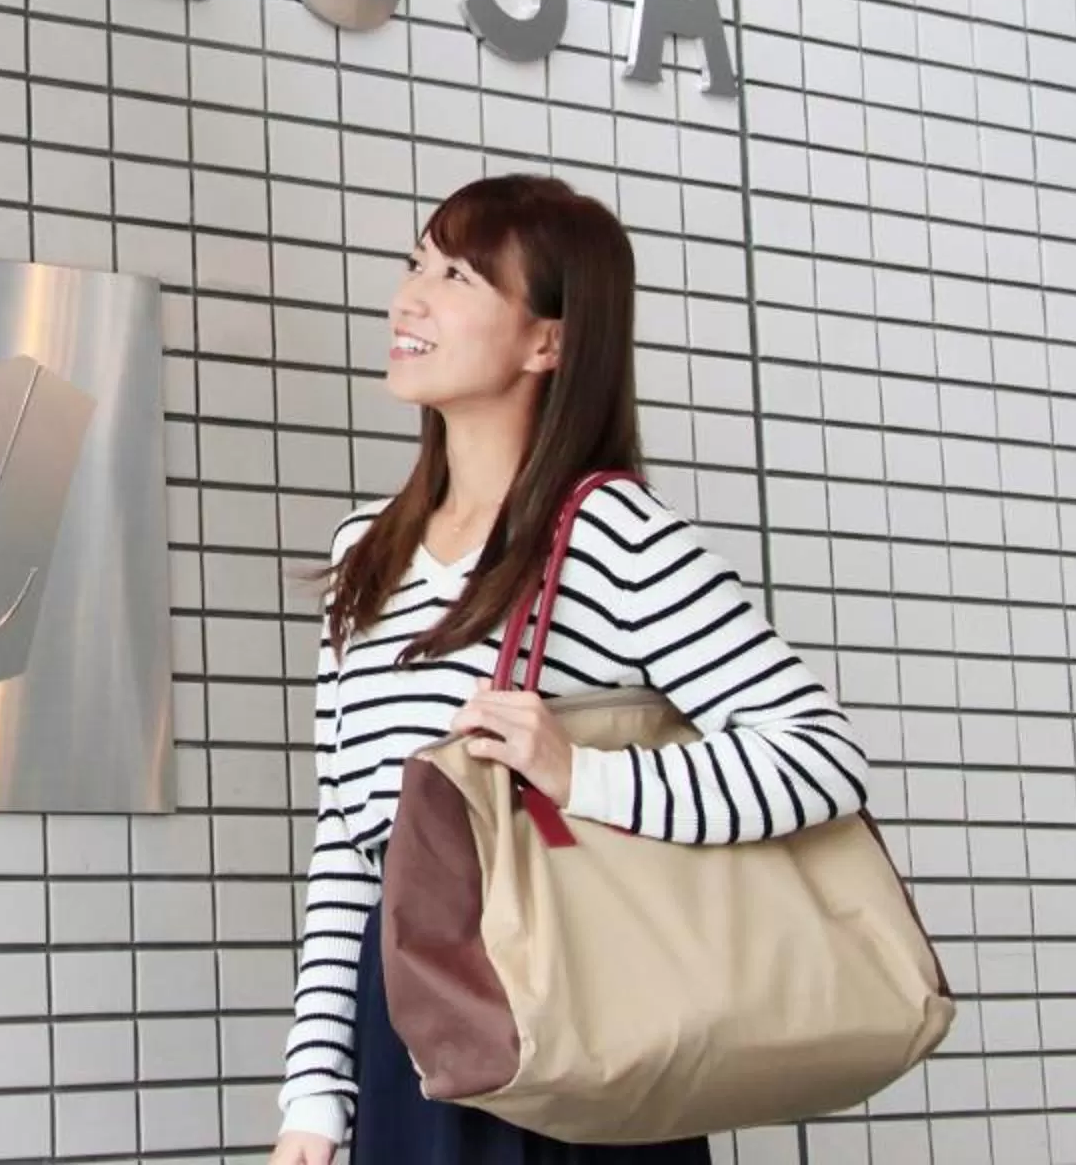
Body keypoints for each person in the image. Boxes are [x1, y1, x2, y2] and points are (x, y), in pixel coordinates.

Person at [270, 175, 874, 1164]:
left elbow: (821, 757)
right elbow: (350, 839)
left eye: (457, 275)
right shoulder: (363, 553)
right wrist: (314, 1089)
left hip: (578, 1013)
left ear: (546, 339)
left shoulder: (606, 534)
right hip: (411, 1035)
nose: (410, 298)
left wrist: (583, 773)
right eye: (414, 265)